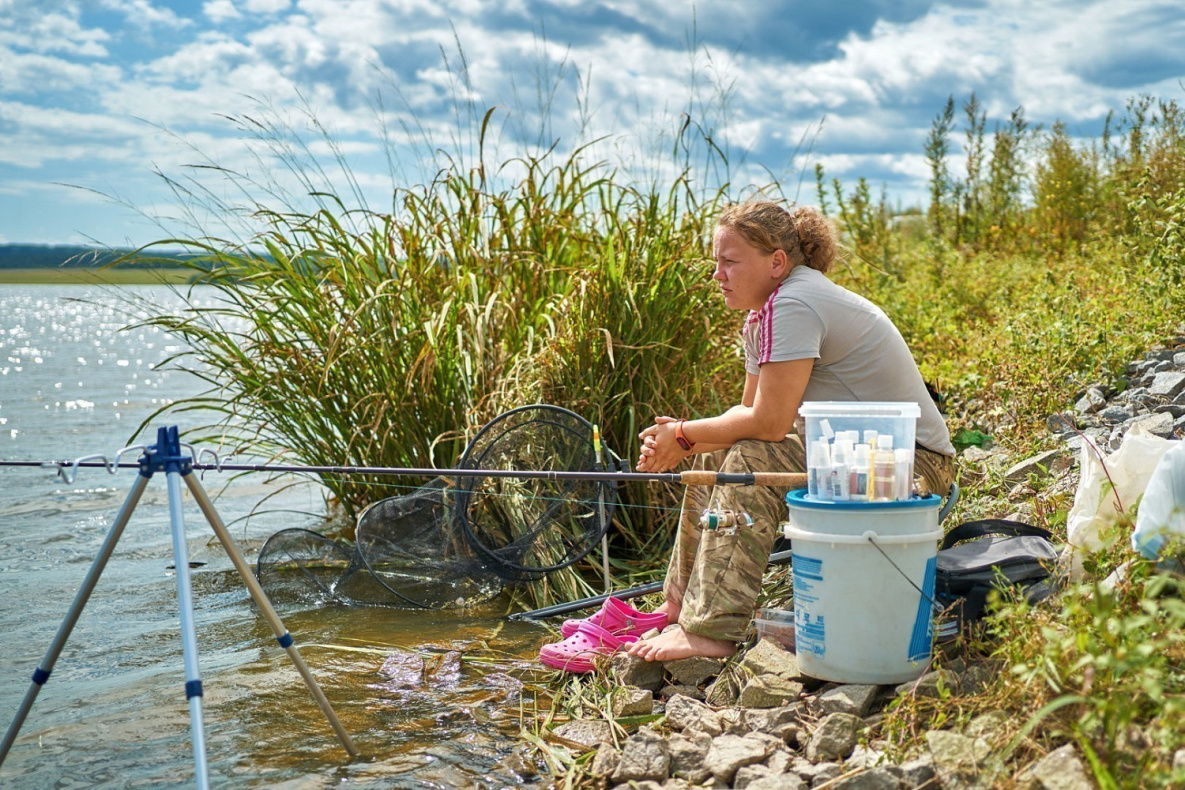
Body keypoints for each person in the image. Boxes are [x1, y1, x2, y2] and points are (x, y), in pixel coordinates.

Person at [621, 200, 957, 663]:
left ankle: (711, 630)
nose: (717, 275)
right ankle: (680, 603)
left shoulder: (796, 303)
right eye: (715, 262)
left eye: (730, 262)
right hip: (863, 449)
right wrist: (686, 440)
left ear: (776, 261)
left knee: (751, 461)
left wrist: (682, 433)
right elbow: (747, 414)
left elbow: (769, 425)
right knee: (716, 454)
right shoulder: (768, 313)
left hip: (912, 463)